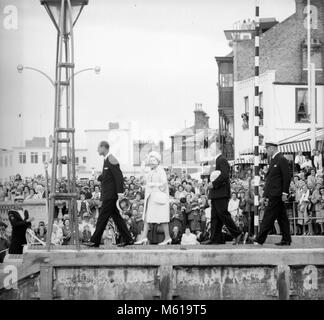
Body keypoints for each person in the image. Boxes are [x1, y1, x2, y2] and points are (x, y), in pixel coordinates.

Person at [85, 141, 133, 247]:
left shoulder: (111, 159)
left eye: (98, 147)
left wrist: (120, 193)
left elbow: (118, 176)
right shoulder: (107, 160)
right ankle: (128, 239)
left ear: (103, 147)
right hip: (109, 195)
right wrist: (98, 177)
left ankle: (95, 240)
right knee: (117, 218)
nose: (97, 150)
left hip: (110, 196)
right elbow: (108, 176)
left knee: (102, 218)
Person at [202, 142, 243, 245]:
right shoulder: (215, 161)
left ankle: (237, 233)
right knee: (215, 217)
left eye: (212, 148)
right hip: (216, 193)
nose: (210, 150)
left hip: (221, 192)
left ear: (217, 148)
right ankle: (214, 238)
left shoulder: (222, 160)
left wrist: (213, 184)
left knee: (223, 215)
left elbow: (224, 176)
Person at [254, 141, 292, 246]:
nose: (266, 151)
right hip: (274, 193)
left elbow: (287, 177)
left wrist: (285, 193)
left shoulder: (281, 159)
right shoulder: (274, 160)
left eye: (267, 149)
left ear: (272, 148)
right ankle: (286, 239)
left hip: (277, 193)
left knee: (268, 216)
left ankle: (259, 239)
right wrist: (265, 195)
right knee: (282, 218)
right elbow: (270, 180)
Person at [135, 151, 171, 245]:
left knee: (163, 219)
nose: (151, 162)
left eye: (153, 160)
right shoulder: (151, 171)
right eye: (150, 160)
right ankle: (144, 237)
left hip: (159, 199)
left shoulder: (160, 170)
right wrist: (143, 165)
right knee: (147, 218)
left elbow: (164, 183)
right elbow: (143, 180)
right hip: (151, 198)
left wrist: (153, 184)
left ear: (157, 161)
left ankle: (167, 238)